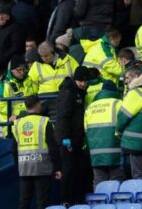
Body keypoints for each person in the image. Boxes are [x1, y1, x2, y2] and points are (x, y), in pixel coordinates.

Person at [12, 95, 62, 209]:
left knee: (24, 202)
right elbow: (52, 146)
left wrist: (18, 165)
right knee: (42, 203)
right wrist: (58, 167)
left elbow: (14, 149)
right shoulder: (44, 122)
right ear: (38, 105)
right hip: (42, 167)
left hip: (25, 167)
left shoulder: (18, 124)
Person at [56, 66, 92, 205]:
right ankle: (66, 200)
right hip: (68, 139)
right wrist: (66, 139)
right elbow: (63, 117)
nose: (83, 83)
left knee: (78, 169)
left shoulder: (79, 92)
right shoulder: (69, 92)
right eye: (80, 81)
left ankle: (76, 200)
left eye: (85, 81)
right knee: (69, 170)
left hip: (76, 139)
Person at [84, 80, 125, 187]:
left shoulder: (90, 107)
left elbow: (85, 130)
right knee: (116, 181)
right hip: (115, 151)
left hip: (96, 153)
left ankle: (98, 203)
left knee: (99, 182)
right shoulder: (118, 103)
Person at [28, 41, 79, 122]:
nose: (44, 59)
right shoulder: (36, 65)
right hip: (43, 100)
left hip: (63, 97)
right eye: (42, 56)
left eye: (46, 56)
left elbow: (78, 77)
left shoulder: (68, 60)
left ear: (53, 52)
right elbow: (31, 86)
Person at [0, 56, 37, 136]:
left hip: (32, 123)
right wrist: (20, 114)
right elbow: (0, 105)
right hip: (12, 127)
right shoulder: (2, 85)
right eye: (19, 70)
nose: (22, 72)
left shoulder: (30, 81)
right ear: (11, 70)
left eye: (24, 69)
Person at [0, 4, 25, 83]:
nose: (0, 17)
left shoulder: (14, 28)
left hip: (6, 68)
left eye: (3, 15)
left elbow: (16, 47)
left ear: (8, 16)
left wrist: (3, 58)